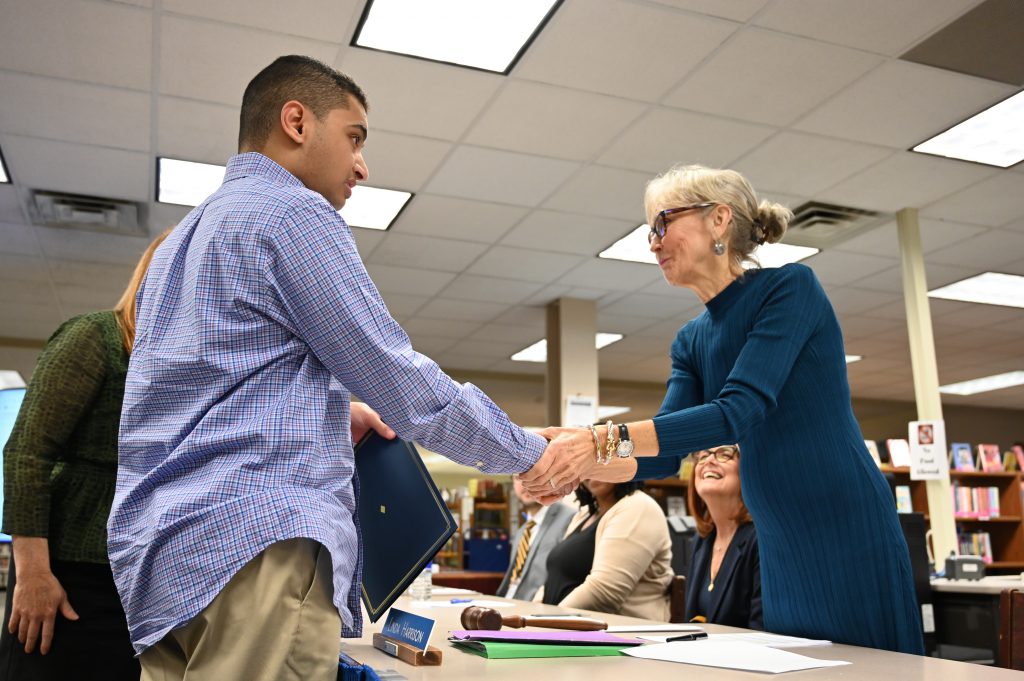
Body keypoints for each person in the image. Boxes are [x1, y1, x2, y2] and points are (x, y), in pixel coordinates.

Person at [108, 55, 568, 681]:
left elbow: (200, 390)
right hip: (255, 548)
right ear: (296, 121)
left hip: (167, 564)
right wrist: (526, 453)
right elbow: (397, 377)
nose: (362, 165)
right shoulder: (291, 213)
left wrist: (330, 414)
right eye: (354, 138)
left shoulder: (184, 240)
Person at [521, 164, 924, 654]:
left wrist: (597, 442)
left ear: (719, 220)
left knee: (873, 667)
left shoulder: (791, 289)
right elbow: (660, 457)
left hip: (844, 519)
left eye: (663, 222)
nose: (653, 242)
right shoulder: (692, 340)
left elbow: (738, 409)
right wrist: (572, 450)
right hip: (779, 535)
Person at [0, 231, 169, 681]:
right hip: (64, 573)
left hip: (132, 583)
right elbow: (27, 453)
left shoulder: (178, 367)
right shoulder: (98, 336)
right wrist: (33, 574)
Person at [538, 481, 672, 621]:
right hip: (561, 628)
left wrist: (548, 621)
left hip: (618, 635)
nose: (593, 472)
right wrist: (535, 613)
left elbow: (604, 592)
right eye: (585, 464)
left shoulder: (639, 506)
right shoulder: (585, 514)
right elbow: (555, 575)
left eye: (601, 459)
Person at [685, 444, 761, 629]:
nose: (709, 460)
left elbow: (762, 630)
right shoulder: (701, 541)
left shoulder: (760, 540)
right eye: (703, 455)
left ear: (748, 469)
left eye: (724, 454)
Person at [496, 477, 574, 601]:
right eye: (517, 477)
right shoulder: (522, 532)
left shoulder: (570, 518)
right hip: (507, 603)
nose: (525, 483)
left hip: (538, 608)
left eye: (531, 473)